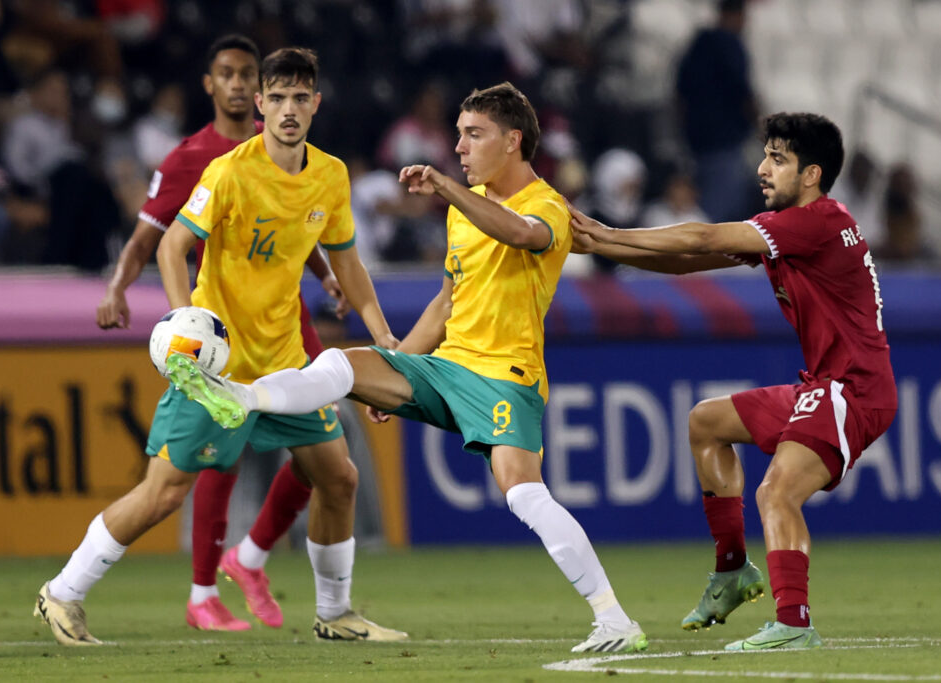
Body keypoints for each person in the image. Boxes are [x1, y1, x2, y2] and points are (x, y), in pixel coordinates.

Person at [172, 82, 649, 655]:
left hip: (505, 377)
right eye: (458, 136)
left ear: (513, 140)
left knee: (523, 495)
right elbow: (445, 304)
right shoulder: (465, 214)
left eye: (474, 135)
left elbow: (520, 235)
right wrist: (395, 369)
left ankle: (613, 618)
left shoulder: (544, 204)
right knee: (344, 364)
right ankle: (241, 398)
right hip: (446, 369)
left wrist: (448, 188)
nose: (462, 147)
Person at [35, 46, 407, 645]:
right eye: (277, 98)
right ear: (260, 104)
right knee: (163, 493)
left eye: (299, 98)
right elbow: (170, 246)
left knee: (338, 478)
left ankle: (335, 614)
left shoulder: (331, 176)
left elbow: (347, 262)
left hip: (285, 366)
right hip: (218, 371)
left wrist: (381, 328)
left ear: (315, 104)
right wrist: (190, 324)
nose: (288, 109)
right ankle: (63, 592)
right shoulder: (230, 170)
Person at [570, 112, 897, 650]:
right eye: (765, 155)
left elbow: (699, 232)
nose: (764, 168)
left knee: (776, 493)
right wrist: (601, 248)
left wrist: (607, 231)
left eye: (778, 159)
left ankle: (793, 623)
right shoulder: (790, 229)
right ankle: (732, 570)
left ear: (811, 175)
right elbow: (690, 260)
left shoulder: (815, 221)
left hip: (852, 389)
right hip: (825, 383)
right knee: (706, 421)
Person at [95, 35, 354, 633]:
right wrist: (120, 288)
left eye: (245, 74)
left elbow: (301, 227)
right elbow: (153, 238)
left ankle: (254, 557)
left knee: (327, 456)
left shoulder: (312, 162)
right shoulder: (198, 160)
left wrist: (330, 276)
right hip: (221, 327)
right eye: (228, 76)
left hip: (289, 319)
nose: (238, 85)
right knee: (216, 461)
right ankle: (204, 589)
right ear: (214, 87)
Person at [674, 0, 760, 223]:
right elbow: (743, 93)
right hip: (724, 143)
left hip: (697, 142)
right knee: (721, 213)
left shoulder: (697, 46)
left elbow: (680, 96)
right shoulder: (730, 45)